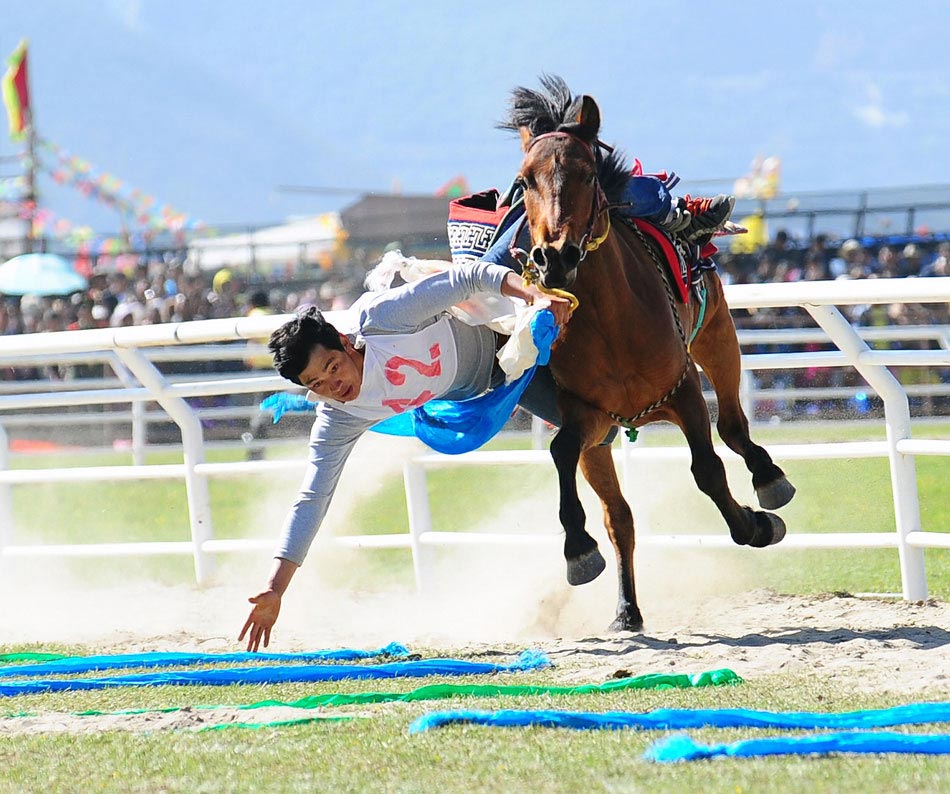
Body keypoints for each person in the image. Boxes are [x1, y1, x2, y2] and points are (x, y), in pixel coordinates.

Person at [238, 260, 574, 651]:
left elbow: (467, 278)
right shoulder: (338, 417)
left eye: (332, 367)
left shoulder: (381, 321)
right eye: (316, 384)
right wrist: (275, 589)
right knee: (595, 431)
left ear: (346, 342)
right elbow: (312, 499)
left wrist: (534, 296)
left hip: (504, 321)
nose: (334, 385)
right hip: (496, 384)